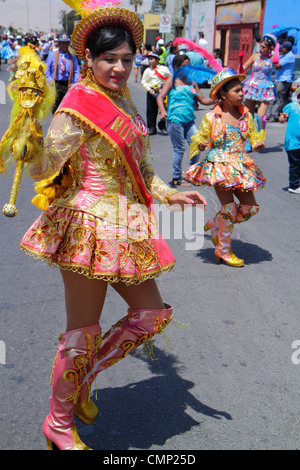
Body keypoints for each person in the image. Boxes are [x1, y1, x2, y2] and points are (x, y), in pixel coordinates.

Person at [19, 3, 207, 451]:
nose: (119, 67)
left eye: (127, 59)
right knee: (82, 330)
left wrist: (171, 194)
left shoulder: (125, 100)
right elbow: (46, 166)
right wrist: (30, 146)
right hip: (86, 224)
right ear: (89, 58)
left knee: (151, 316)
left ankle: (81, 382)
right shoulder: (76, 106)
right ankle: (59, 422)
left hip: (128, 225)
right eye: (109, 59)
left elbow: (143, 166)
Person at [184, 69, 266, 267]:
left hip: (240, 166)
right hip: (220, 166)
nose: (241, 94)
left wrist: (256, 143)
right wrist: (202, 144)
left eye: (241, 90)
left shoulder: (246, 116)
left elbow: (254, 137)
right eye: (236, 91)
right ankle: (224, 249)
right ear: (223, 94)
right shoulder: (212, 118)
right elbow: (201, 138)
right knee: (228, 207)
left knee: (250, 208)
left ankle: (215, 224)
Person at [157, 53, 214, 187]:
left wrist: (215, 100)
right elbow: (160, 97)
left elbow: (203, 99)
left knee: (198, 145)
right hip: (175, 120)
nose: (187, 68)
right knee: (179, 149)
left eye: (189, 65)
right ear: (176, 66)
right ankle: (176, 177)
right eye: (184, 66)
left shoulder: (192, 81)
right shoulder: (172, 80)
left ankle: (193, 174)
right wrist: (163, 111)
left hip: (189, 120)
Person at [242, 34, 277, 132]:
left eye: (263, 47)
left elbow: (278, 62)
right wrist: (241, 61)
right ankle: (250, 139)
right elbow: (242, 68)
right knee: (249, 116)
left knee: (260, 117)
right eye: (260, 46)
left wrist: (276, 49)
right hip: (252, 86)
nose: (260, 49)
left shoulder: (272, 59)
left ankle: (260, 136)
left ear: (269, 48)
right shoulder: (255, 56)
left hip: (265, 88)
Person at [45, 34, 80, 113]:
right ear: (59, 44)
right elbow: (46, 69)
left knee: (66, 107)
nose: (64, 45)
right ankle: (55, 123)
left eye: (66, 43)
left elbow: (76, 71)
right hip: (55, 83)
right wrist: (50, 79)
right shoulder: (52, 55)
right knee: (56, 107)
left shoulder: (73, 57)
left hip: (67, 84)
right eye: (62, 43)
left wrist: (74, 83)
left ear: (68, 44)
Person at [141, 51, 172, 134]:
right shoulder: (147, 70)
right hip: (152, 92)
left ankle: (162, 125)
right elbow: (144, 81)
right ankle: (151, 127)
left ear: (157, 60)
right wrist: (149, 89)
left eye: (152, 59)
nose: (150, 61)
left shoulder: (164, 69)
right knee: (151, 110)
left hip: (162, 92)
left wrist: (165, 87)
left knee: (164, 109)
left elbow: (169, 78)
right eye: (149, 59)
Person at [267, 41, 295, 122]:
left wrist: (272, 59)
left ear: (286, 49)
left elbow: (277, 66)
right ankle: (274, 114)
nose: (281, 49)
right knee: (278, 99)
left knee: (279, 99)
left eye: (282, 48)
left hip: (284, 81)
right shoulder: (284, 56)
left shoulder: (289, 56)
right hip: (280, 80)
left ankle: (274, 115)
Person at [279, 87, 300, 194]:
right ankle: (294, 185)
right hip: (293, 143)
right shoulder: (292, 107)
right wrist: (282, 118)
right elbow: (282, 119)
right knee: (295, 165)